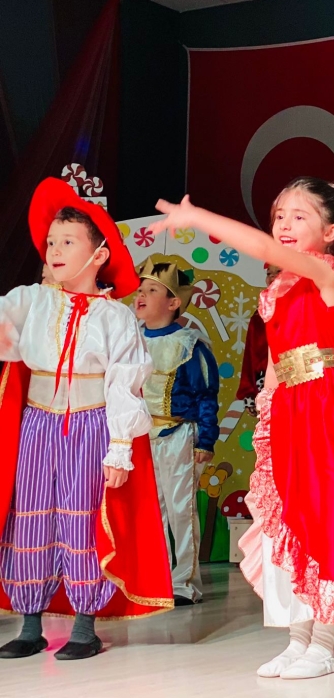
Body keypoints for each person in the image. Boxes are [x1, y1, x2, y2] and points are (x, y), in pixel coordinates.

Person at [150, 178, 334, 680]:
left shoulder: (327, 270)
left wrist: (198, 219)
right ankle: (297, 638)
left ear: (331, 232)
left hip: (325, 404)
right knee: (287, 517)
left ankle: (324, 642)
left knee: (324, 516)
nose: (284, 224)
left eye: (300, 216)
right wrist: (269, 409)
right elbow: (278, 361)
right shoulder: (279, 287)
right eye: (280, 215)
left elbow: (259, 247)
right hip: (288, 407)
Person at [0, 177, 171, 660]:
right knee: (29, 517)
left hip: (91, 426)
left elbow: (124, 383)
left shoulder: (115, 317)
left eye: (67, 242)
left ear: (98, 255)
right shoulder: (31, 300)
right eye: (51, 242)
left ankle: (83, 625)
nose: (54, 250)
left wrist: (120, 447)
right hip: (37, 423)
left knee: (81, 520)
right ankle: (29, 623)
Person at [134, 258, 220, 606]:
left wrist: (205, 440)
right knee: (149, 511)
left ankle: (183, 582)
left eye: (152, 290)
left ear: (173, 303)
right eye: (141, 289)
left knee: (180, 510)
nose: (141, 295)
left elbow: (206, 394)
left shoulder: (189, 344)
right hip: (141, 438)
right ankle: (155, 579)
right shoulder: (130, 341)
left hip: (178, 436)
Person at [237, 265, 280, 417]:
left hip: (294, 381)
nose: (272, 277)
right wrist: (249, 392)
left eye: (279, 272)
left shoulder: (302, 308)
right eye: (269, 273)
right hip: (264, 383)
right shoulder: (259, 315)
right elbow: (251, 355)